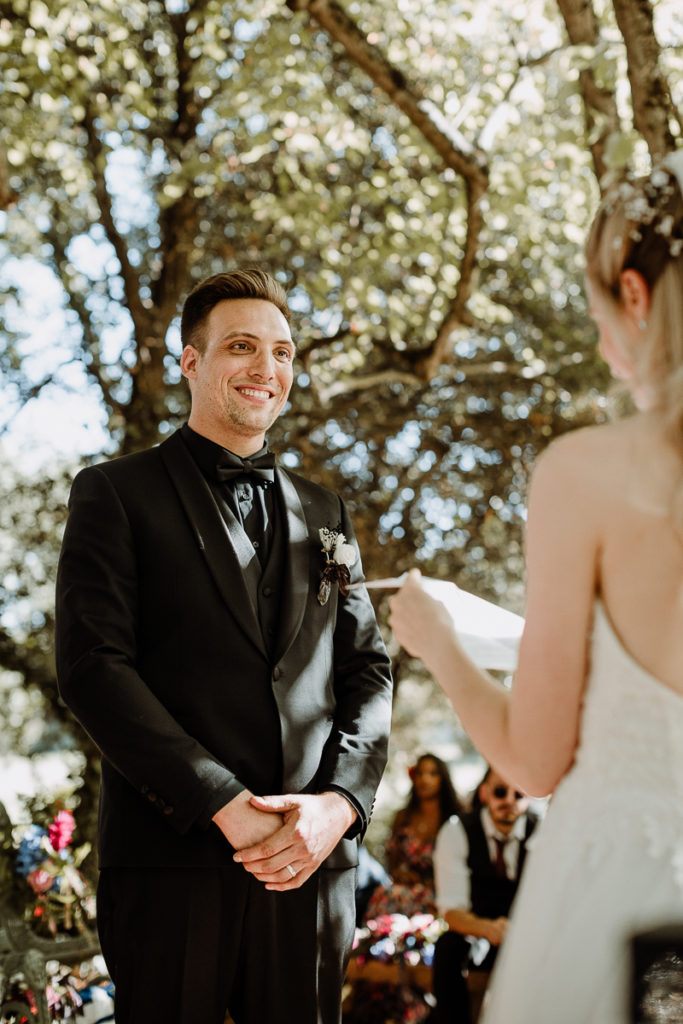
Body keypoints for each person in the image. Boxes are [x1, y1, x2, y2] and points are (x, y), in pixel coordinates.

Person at [388, 149, 683, 1024]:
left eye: (598, 314)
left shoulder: (590, 474)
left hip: (624, 903)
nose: (599, 344)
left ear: (634, 296)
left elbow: (534, 758)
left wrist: (440, 640)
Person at [55, 269, 394, 1024]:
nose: (265, 369)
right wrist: (223, 803)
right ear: (190, 362)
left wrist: (337, 805)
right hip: (170, 862)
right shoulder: (114, 493)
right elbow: (92, 668)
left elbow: (368, 670)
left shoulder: (325, 509)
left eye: (281, 352)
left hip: (311, 867)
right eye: (241, 347)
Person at [430, 766, 538, 1023]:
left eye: (519, 795)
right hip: (476, 930)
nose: (509, 801)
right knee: (448, 949)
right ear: (485, 793)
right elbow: (452, 911)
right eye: (500, 792)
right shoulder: (457, 831)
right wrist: (490, 929)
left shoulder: (543, 831)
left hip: (527, 931)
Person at [364, 753, 461, 921]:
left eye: (432, 774)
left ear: (442, 778)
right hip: (402, 889)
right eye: (420, 773)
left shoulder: (452, 819)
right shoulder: (403, 817)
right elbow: (391, 860)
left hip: (439, 893)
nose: (425, 779)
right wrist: (401, 873)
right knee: (385, 895)